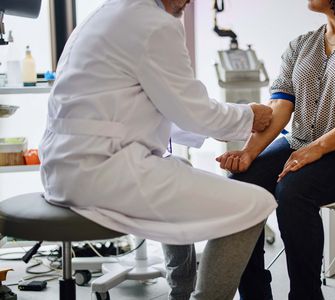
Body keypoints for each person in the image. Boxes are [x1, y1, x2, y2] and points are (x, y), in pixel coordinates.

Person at [39, 0, 278, 299]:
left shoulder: (108, 13)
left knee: (180, 167)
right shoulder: (155, 25)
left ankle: (181, 292)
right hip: (101, 172)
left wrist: (222, 127)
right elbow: (195, 112)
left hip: (65, 167)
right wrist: (250, 116)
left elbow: (160, 108)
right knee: (255, 204)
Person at [217, 0, 335, 299]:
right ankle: (254, 294)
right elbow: (279, 106)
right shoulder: (301, 45)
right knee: (240, 184)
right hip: (300, 142)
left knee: (293, 191)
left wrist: (317, 148)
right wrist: (249, 153)